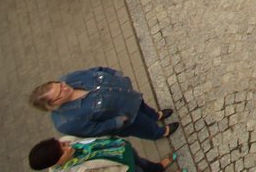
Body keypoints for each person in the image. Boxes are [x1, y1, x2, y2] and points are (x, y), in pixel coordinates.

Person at [31, 67, 178, 139]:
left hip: (126, 96)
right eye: (60, 91)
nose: (64, 86)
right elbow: (95, 130)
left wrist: (115, 74)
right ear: (54, 103)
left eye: (59, 84)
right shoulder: (67, 122)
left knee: (143, 107)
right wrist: (118, 122)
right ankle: (160, 132)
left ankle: (156, 116)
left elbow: (94, 70)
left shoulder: (68, 78)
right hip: (125, 118)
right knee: (143, 126)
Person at [27, 136, 174, 172]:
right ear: (57, 161)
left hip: (121, 150)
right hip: (123, 168)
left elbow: (88, 140)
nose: (66, 143)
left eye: (61, 143)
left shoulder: (64, 142)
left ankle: (158, 167)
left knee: (143, 163)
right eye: (62, 148)